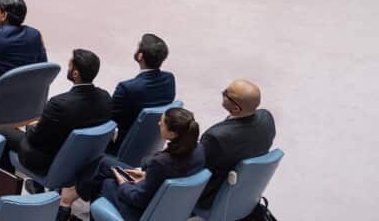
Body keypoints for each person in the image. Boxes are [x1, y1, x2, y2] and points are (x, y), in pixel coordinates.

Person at [64, 107, 203, 220]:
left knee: (105, 182)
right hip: (165, 199)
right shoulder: (198, 150)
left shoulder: (161, 163)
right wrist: (147, 175)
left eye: (162, 122)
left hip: (143, 209)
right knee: (103, 162)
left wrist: (123, 184)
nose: (159, 123)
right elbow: (172, 174)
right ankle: (71, 197)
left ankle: (66, 204)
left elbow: (138, 199)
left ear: (172, 134)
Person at [3, 49, 112, 175]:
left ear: (75, 74)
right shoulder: (106, 98)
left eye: (70, 65)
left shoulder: (59, 104)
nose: (68, 67)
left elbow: (35, 139)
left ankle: (7, 184)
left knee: (2, 131)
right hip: (80, 158)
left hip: (49, 160)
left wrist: (30, 127)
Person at [196, 80, 276, 209]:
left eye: (225, 94)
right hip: (245, 188)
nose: (222, 94)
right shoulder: (266, 117)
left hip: (213, 194)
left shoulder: (216, 137)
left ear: (236, 108)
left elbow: (198, 169)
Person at [109, 33, 176, 153]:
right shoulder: (169, 79)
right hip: (153, 143)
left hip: (123, 146)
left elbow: (110, 119)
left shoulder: (127, 88)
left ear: (140, 56)